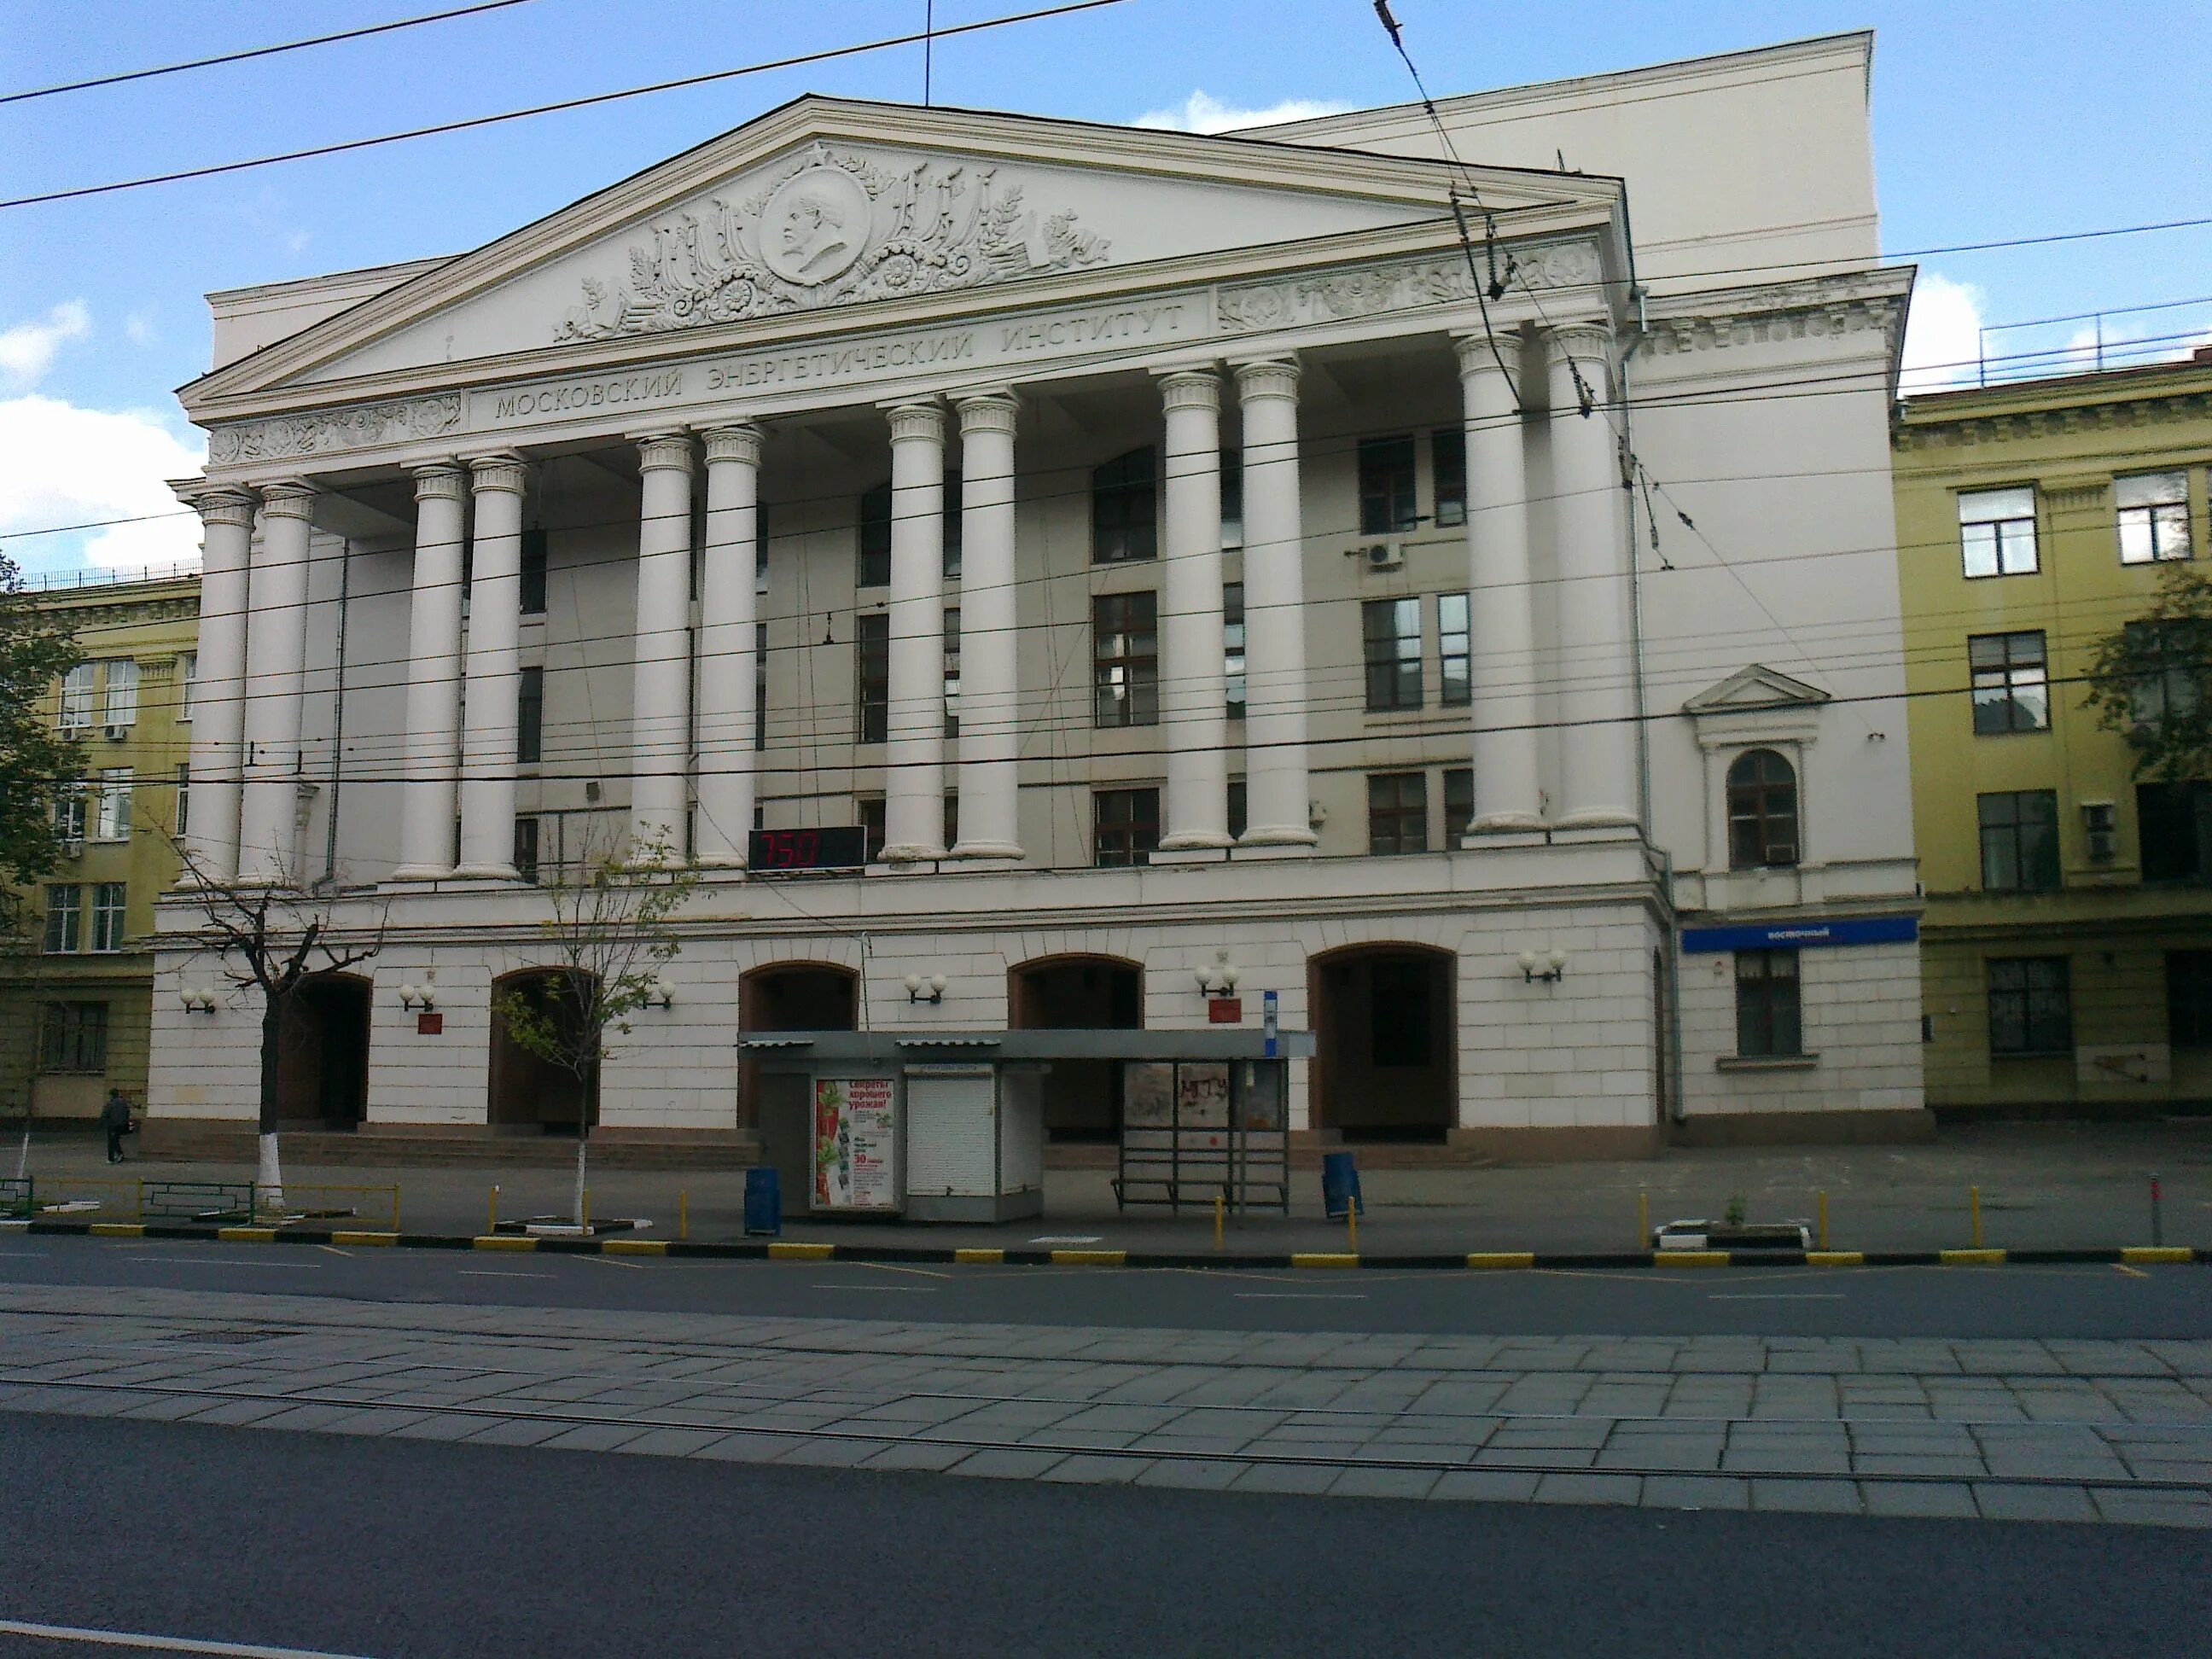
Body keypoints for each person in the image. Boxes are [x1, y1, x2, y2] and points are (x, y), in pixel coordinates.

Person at [102, 1088, 132, 1164]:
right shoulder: (124, 1103)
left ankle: (111, 1158)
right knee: (116, 1140)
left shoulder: (110, 1104)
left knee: (111, 1142)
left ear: (111, 1095)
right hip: (123, 1125)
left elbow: (105, 1114)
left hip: (113, 1125)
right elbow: (128, 1112)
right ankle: (119, 1154)